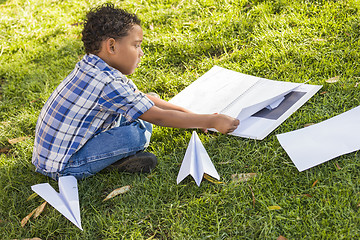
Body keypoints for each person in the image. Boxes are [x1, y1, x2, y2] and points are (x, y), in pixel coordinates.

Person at [32, 3, 239, 180]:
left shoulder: (92, 66)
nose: (141, 53)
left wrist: (195, 118)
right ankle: (109, 162)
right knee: (136, 135)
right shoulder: (107, 83)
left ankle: (110, 159)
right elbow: (160, 117)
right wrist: (210, 122)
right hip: (65, 167)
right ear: (112, 46)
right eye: (136, 45)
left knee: (150, 102)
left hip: (52, 155)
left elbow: (146, 100)